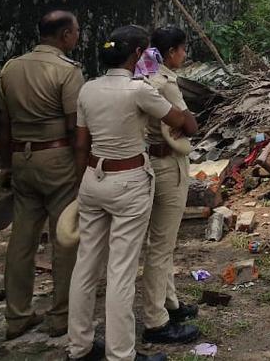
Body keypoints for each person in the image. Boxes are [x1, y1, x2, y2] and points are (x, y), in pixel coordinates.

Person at [67, 25, 196, 361]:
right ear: (140, 54)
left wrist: (82, 186)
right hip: (129, 180)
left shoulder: (88, 89)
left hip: (92, 179)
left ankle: (78, 347)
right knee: (121, 270)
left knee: (86, 266)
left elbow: (81, 144)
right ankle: (121, 353)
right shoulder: (138, 90)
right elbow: (183, 122)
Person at [0, 9, 84, 340]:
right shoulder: (66, 71)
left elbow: (3, 125)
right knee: (64, 237)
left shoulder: (11, 69)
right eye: (76, 31)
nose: (77, 36)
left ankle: (16, 316)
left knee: (22, 238)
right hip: (57, 156)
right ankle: (61, 315)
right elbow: (76, 128)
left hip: (22, 158)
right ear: (64, 35)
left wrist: (7, 166)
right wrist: (81, 172)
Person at [140, 26, 200, 346]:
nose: (185, 55)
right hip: (168, 165)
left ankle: (170, 303)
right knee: (161, 246)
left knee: (161, 242)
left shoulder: (142, 77)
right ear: (173, 52)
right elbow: (188, 123)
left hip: (149, 163)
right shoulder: (165, 83)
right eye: (183, 49)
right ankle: (156, 319)